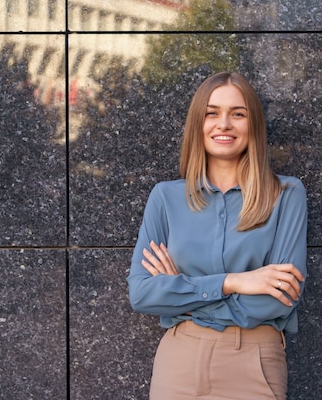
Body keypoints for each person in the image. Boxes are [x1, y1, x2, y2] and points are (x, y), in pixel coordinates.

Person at [127, 71, 307, 400]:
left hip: (253, 363)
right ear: (199, 123)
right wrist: (233, 282)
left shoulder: (286, 194)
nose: (223, 124)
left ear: (253, 126)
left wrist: (180, 299)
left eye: (237, 114)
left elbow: (277, 297)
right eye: (212, 113)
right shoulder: (165, 198)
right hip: (178, 363)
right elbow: (142, 294)